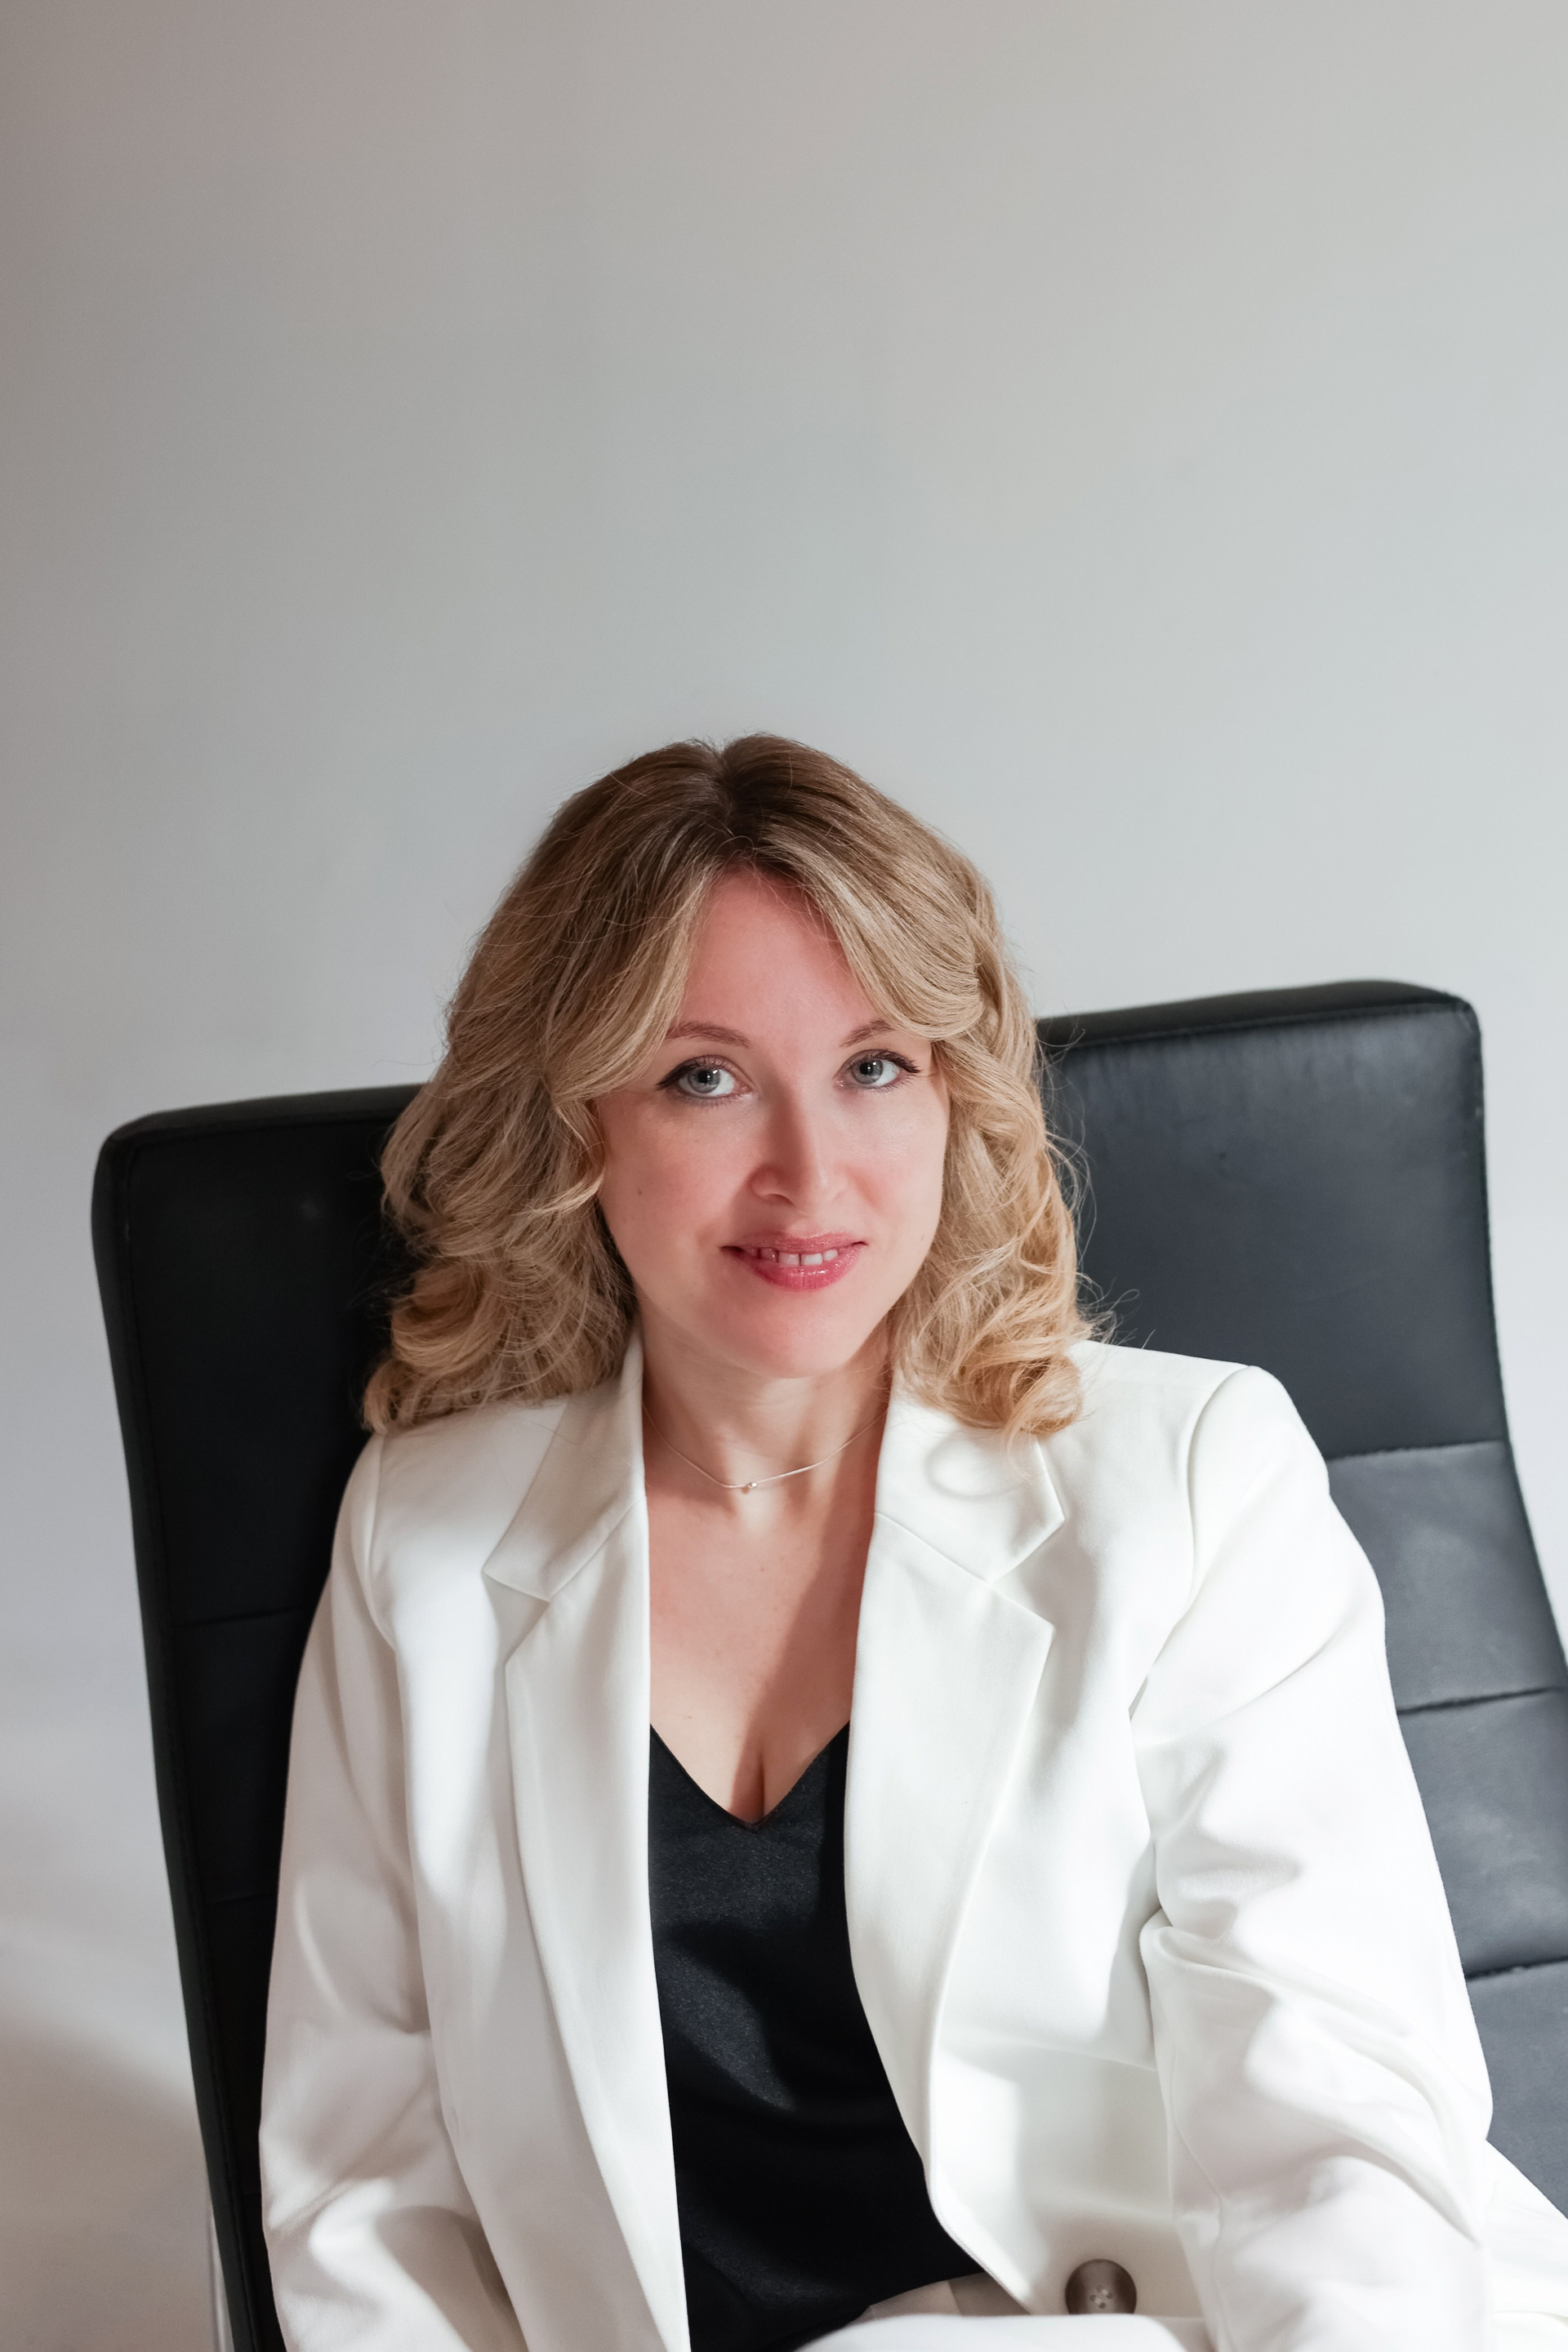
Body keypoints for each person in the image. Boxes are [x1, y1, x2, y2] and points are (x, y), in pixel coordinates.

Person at [260, 735, 1568, 2352]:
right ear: (573, 1117)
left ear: (955, 1092)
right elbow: (367, 2184)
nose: (810, 1177)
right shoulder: (427, 1543)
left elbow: (1329, 2130)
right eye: (706, 1077)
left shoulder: (1193, 1483)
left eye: (876, 1066)